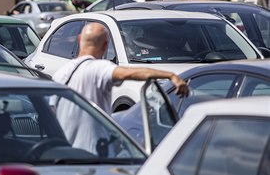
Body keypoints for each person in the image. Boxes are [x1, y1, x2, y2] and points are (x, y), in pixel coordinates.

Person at [53, 22, 189, 154]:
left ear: (79, 40)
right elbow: (131, 73)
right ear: (106, 45)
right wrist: (170, 76)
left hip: (65, 154)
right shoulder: (98, 68)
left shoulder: (61, 73)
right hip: (95, 156)